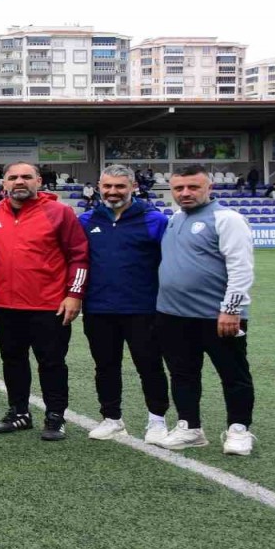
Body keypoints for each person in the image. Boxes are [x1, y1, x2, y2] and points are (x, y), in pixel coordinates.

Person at [0, 161, 89, 441]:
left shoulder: (60, 213)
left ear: (38, 181)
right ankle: (19, 413)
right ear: (3, 183)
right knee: (12, 360)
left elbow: (79, 256)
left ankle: (55, 417)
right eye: (13, 177)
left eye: (26, 177)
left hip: (49, 305)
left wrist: (74, 294)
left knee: (51, 362)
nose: (20, 181)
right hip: (4, 305)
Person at [155, 165, 257, 455]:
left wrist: (231, 309)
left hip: (218, 317)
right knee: (183, 374)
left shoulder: (228, 219)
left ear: (208, 188)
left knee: (233, 374)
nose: (185, 193)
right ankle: (190, 427)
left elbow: (241, 268)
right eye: (178, 188)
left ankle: (239, 430)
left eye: (193, 187)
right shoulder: (174, 219)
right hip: (173, 316)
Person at [78, 164, 171, 443]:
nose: (113, 191)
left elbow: (169, 264)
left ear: (133, 187)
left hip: (143, 309)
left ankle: (157, 420)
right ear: (98, 187)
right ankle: (112, 418)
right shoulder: (86, 221)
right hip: (98, 308)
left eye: (120, 186)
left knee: (149, 365)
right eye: (107, 186)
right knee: (105, 366)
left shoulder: (154, 220)